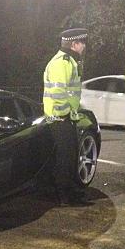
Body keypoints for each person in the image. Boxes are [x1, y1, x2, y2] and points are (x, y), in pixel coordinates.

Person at [43, 28, 88, 205]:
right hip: (59, 119)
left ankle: (69, 191)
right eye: (82, 43)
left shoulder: (69, 62)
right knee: (65, 159)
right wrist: (64, 114)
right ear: (74, 44)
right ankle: (64, 197)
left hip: (65, 118)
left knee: (70, 157)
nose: (84, 46)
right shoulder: (61, 63)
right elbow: (58, 91)